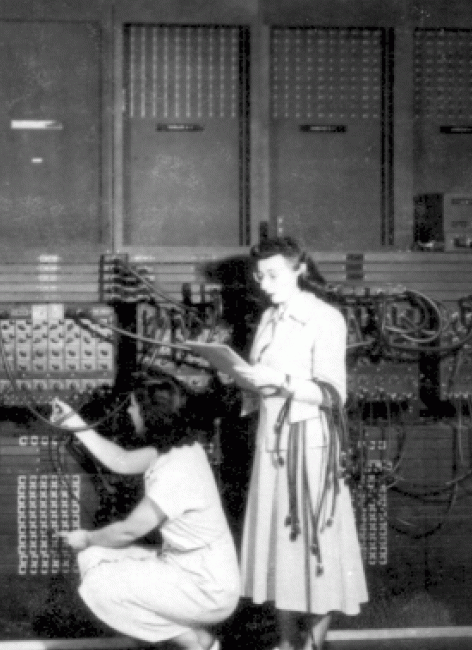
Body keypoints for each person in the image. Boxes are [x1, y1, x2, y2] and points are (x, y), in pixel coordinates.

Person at [231, 236, 368, 650]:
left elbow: (333, 393)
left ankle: (311, 646)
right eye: (259, 276)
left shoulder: (324, 318)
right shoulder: (270, 318)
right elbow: (261, 380)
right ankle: (287, 643)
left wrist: (280, 382)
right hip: (271, 445)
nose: (264, 283)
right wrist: (240, 377)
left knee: (315, 551)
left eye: (273, 274)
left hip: (309, 449)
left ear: (300, 270)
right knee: (278, 551)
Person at [52, 373, 240, 650]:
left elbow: (129, 530)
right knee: (93, 559)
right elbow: (120, 460)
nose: (129, 411)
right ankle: (195, 639)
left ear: (150, 414)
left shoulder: (175, 470)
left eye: (134, 406)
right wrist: (74, 422)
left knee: (99, 586)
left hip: (206, 588)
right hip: (191, 570)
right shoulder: (183, 449)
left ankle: (195, 641)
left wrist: (86, 537)